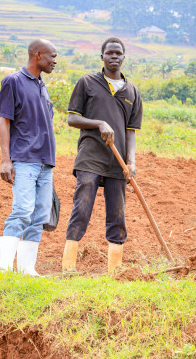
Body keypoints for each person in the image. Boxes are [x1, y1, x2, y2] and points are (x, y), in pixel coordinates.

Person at [62, 37, 143, 273]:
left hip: (118, 162)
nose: (114, 57)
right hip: (91, 156)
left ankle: (114, 270)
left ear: (124, 57)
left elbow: (131, 131)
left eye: (119, 54)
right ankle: (68, 266)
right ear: (102, 57)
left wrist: (131, 162)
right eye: (110, 53)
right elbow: (72, 118)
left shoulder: (132, 92)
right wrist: (99, 123)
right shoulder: (87, 82)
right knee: (82, 204)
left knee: (117, 211)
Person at [0, 38, 57, 276]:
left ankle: (26, 270)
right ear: (38, 55)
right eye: (52, 56)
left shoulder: (42, 85)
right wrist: (5, 160)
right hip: (24, 159)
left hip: (45, 163)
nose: (54, 61)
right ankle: (1, 271)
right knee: (22, 211)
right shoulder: (13, 81)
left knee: (39, 217)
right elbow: (4, 121)